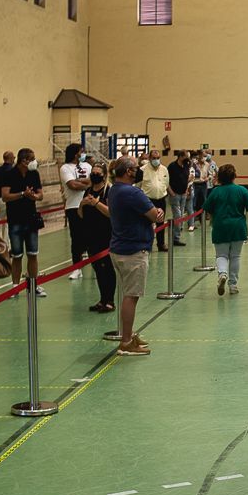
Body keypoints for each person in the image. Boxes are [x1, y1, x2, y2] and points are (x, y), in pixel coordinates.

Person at [109, 156, 164, 356]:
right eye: (135, 168)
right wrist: (156, 212)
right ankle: (126, 342)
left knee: (129, 294)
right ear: (129, 171)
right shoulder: (132, 192)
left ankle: (129, 334)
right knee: (131, 296)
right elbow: (154, 214)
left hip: (119, 248)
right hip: (133, 250)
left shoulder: (114, 189)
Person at [202, 164, 248, 296]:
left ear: (219, 177)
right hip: (238, 227)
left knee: (221, 255)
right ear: (234, 176)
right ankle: (233, 285)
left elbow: (207, 211)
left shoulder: (215, 192)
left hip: (220, 226)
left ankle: (222, 273)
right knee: (235, 256)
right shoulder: (242, 190)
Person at [0, 148, 47, 297]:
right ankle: (15, 287)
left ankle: (33, 285)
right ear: (24, 160)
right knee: (17, 255)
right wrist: (22, 194)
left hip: (31, 219)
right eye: (32, 159)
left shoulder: (34, 174)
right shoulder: (9, 175)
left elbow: (40, 195)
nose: (34, 161)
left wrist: (33, 196)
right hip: (15, 220)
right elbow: (5, 196)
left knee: (33, 253)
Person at [78, 160, 116, 313]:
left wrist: (96, 204)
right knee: (98, 269)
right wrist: (82, 204)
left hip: (106, 235)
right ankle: (102, 299)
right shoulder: (88, 190)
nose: (95, 175)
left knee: (107, 268)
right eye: (93, 173)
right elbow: (80, 214)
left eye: (98, 174)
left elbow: (111, 213)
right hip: (90, 234)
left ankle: (110, 300)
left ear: (104, 175)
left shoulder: (109, 191)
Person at [59, 143, 92, 281]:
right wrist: (87, 184)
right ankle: (77, 268)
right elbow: (72, 185)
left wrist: (85, 183)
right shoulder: (65, 168)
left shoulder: (88, 166)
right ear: (75, 154)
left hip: (90, 205)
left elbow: (95, 182)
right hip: (73, 206)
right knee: (76, 239)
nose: (83, 154)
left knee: (91, 237)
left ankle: (95, 264)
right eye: (81, 151)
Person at [137, 149, 170, 251]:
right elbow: (137, 186)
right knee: (146, 223)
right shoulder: (142, 170)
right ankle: (146, 244)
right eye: (154, 158)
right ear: (150, 159)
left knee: (161, 222)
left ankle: (161, 244)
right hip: (147, 200)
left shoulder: (164, 169)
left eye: (158, 158)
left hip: (161, 199)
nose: (156, 160)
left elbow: (166, 183)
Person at [166, 149, 191, 246]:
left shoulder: (186, 166)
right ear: (180, 157)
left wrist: (186, 190)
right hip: (175, 194)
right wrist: (171, 192)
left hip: (183, 194)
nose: (187, 159)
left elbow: (186, 178)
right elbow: (167, 180)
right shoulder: (172, 166)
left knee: (180, 217)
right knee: (178, 215)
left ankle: (176, 236)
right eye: (185, 157)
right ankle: (175, 238)